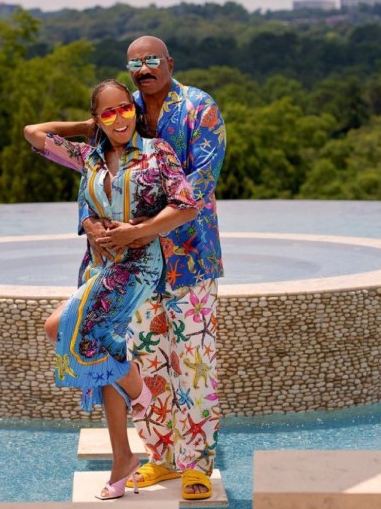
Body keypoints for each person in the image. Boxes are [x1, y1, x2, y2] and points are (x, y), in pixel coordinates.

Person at [23, 79, 200, 500]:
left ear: (134, 112)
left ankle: (139, 394)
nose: (119, 118)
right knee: (104, 352)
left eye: (124, 109)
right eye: (108, 113)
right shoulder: (88, 157)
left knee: (56, 328)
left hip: (138, 263)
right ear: (97, 119)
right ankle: (123, 456)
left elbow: (185, 204)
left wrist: (136, 232)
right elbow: (34, 132)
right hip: (97, 265)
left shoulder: (158, 153)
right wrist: (87, 127)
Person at [80, 36, 226, 501]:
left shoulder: (200, 108)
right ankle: (160, 458)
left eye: (152, 61)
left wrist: (135, 232)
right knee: (148, 364)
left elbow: (197, 191)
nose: (144, 68)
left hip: (190, 260)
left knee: (194, 364)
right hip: (137, 269)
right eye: (135, 63)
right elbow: (92, 156)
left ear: (169, 63)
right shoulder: (127, 112)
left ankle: (196, 465)